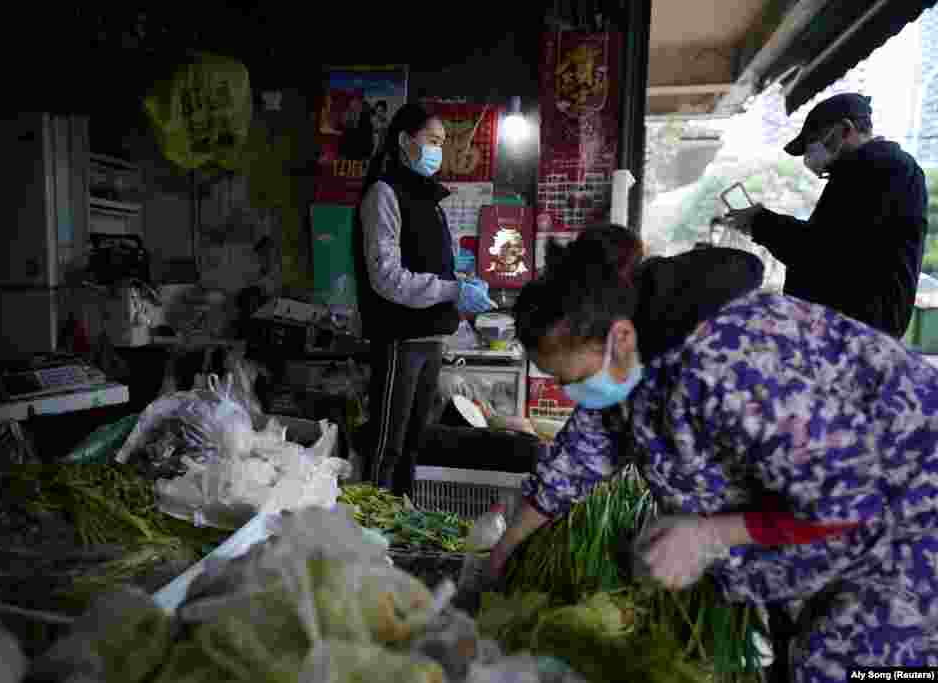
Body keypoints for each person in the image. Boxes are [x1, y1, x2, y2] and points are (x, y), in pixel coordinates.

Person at [487, 224, 938, 681]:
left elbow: (846, 494)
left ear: (619, 338)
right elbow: (581, 453)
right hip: (828, 529)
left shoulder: (731, 359)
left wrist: (709, 534)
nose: (570, 394)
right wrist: (507, 544)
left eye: (570, 379)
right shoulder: (633, 352)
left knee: (856, 666)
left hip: (910, 522)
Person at [353, 102, 494, 495]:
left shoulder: (428, 200)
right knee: (388, 446)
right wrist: (451, 289)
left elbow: (426, 265)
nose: (438, 150)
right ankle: (369, 531)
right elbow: (386, 277)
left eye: (441, 142)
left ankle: (399, 522)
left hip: (431, 337)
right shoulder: (384, 194)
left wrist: (462, 281)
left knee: (414, 444)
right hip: (401, 338)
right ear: (403, 141)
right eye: (432, 140)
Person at [727, 93, 928, 339]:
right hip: (847, 330)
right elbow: (828, 241)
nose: (810, 154)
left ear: (845, 129)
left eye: (814, 141)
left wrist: (759, 222)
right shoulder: (862, 171)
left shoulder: (883, 169)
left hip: (856, 334)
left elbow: (824, 251)